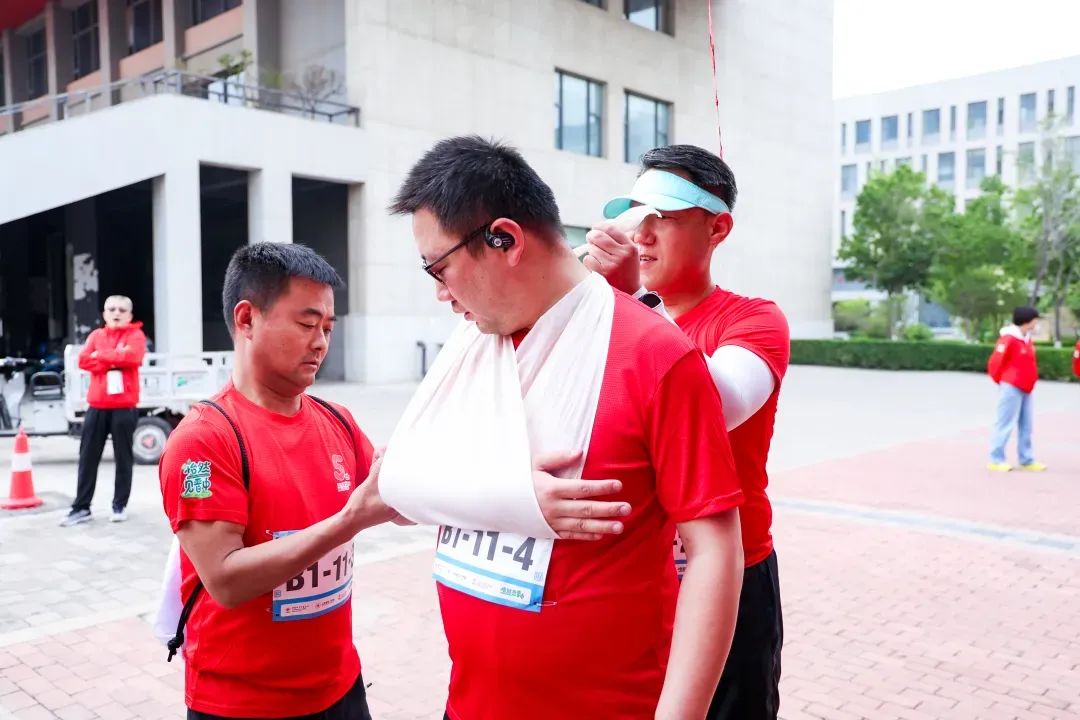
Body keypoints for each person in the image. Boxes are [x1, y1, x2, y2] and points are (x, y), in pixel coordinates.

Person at [387, 136, 745, 720]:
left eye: (440, 267)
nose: (441, 294)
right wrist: (509, 494)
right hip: (469, 705)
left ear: (505, 239)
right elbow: (395, 483)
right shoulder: (474, 351)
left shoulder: (656, 356)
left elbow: (714, 549)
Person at [584, 144, 790, 720]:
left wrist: (632, 303)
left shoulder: (752, 318)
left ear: (717, 228)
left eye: (665, 218)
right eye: (636, 217)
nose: (642, 235)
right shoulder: (602, 315)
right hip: (628, 575)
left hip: (734, 572)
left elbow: (716, 405)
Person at [158, 243, 395, 719]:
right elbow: (225, 579)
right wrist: (347, 523)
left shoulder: (338, 420)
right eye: (307, 324)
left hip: (340, 688)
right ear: (247, 319)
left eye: (328, 328)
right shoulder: (200, 444)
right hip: (242, 704)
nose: (321, 343)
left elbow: (396, 498)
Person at [61, 295, 147, 526]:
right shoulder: (96, 336)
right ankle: (81, 507)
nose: (116, 313)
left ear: (129, 315)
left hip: (124, 407)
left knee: (123, 458)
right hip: (96, 406)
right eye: (111, 309)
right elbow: (83, 360)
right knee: (87, 458)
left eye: (121, 310)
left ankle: (119, 505)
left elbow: (133, 357)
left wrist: (101, 356)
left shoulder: (135, 335)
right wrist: (116, 358)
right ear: (104, 314)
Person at [987, 305, 1046, 472]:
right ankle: (996, 459)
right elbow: (995, 362)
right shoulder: (1009, 339)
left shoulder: (1026, 339)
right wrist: (1003, 382)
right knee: (1005, 423)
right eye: (1034, 320)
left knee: (1026, 425)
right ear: (1027, 321)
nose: (1036, 323)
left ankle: (1026, 459)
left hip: (1027, 387)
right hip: (1011, 386)